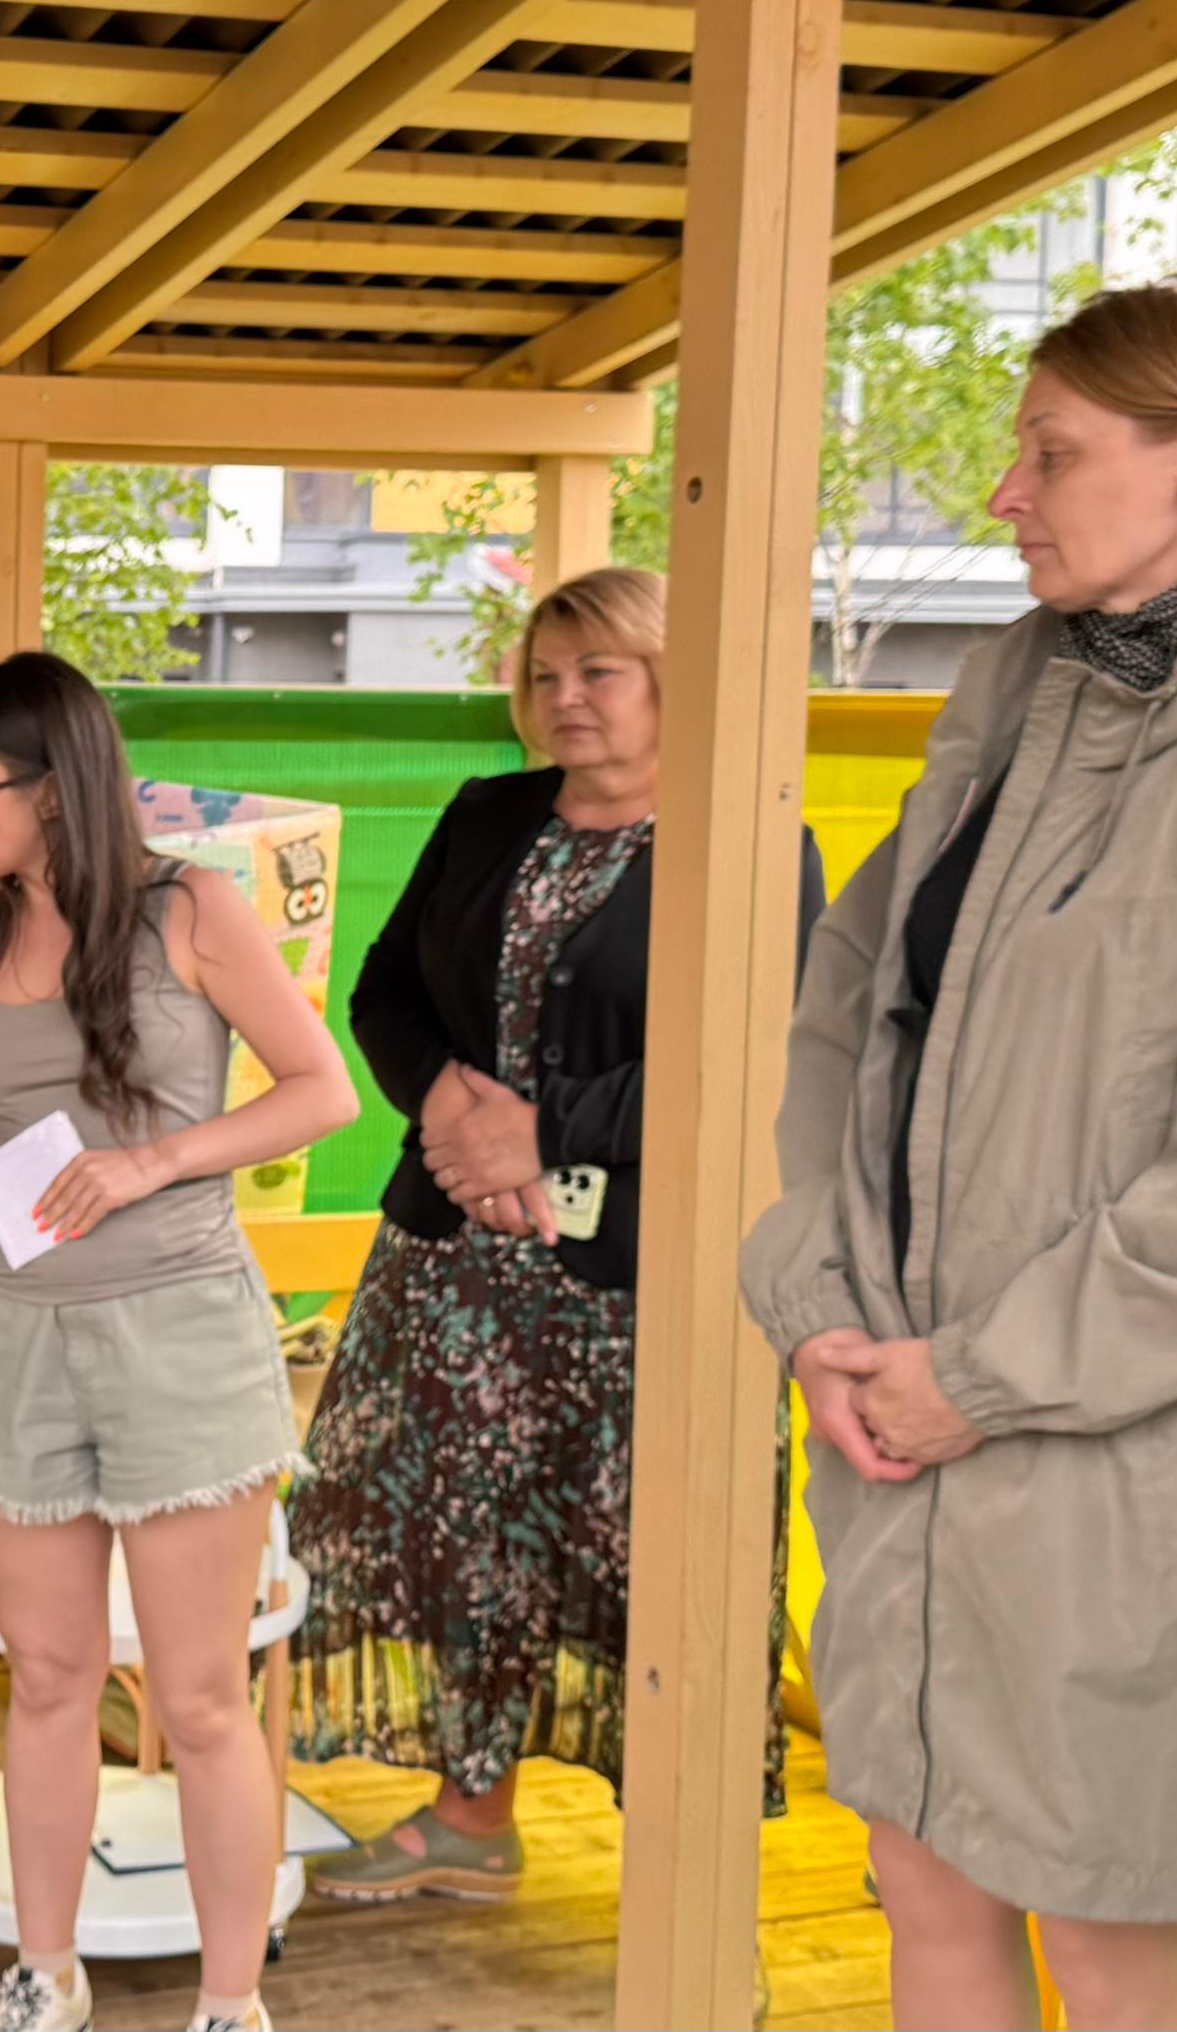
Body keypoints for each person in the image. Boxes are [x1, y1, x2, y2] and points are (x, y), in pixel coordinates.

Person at [739, 275, 1177, 2032]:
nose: (1007, 494)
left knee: (1115, 1945)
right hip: (908, 1427)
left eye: (1051, 453)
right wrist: (823, 1311)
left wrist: (974, 1378)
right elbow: (852, 1013)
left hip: (1130, 1470)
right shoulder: (1015, 692)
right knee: (926, 1881)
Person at [0, 650, 358, 2032]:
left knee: (200, 1698)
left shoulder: (194, 908)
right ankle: (44, 1976)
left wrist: (152, 1161)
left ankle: (230, 2003)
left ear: (50, 788)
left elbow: (321, 1092)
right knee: (47, 1680)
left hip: (182, 1336)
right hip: (21, 1340)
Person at [290, 566, 821, 1901]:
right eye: (545, 674)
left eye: (599, 671)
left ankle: (690, 1891)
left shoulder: (751, 842)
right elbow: (384, 989)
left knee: (650, 1563)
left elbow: (759, 1053)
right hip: (455, 1259)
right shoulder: (487, 814)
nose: (564, 697)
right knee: (464, 1541)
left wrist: (546, 1130)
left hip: (637, 1282)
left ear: (673, 679)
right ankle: (469, 1821)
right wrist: (447, 1105)